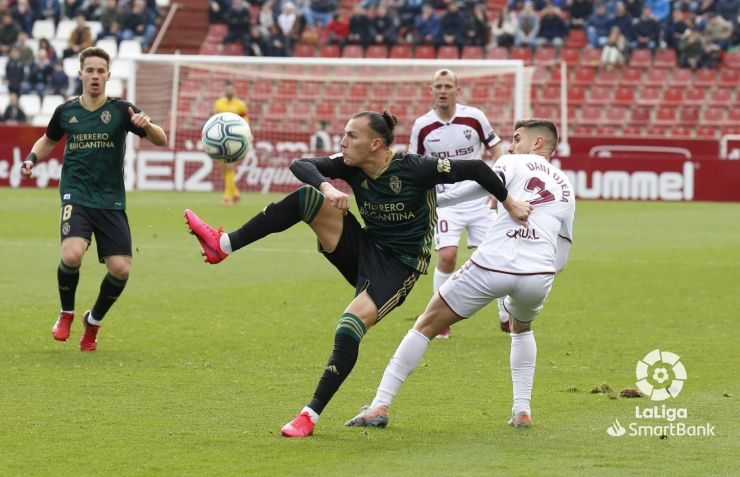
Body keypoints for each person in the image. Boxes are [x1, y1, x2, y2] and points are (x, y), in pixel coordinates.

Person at [183, 110, 533, 438]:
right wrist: (328, 187)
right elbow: (300, 164)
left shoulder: (415, 168)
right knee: (307, 197)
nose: (342, 142)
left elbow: (476, 167)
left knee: (348, 327)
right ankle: (224, 245)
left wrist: (509, 202)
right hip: (363, 248)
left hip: (399, 267)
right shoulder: (349, 166)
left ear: (376, 144)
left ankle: (309, 415)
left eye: (351, 135)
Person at [345, 118, 575, 430]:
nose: (510, 145)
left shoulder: (511, 162)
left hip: (493, 263)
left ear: (537, 143)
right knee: (522, 329)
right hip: (539, 274)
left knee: (425, 324)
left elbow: (473, 188)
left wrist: (426, 199)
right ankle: (522, 410)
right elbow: (563, 247)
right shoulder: (566, 185)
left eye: (517, 138)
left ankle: (379, 405)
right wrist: (541, 271)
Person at [20, 46, 167, 351]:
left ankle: (93, 321)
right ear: (81, 74)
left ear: (109, 75)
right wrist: (32, 158)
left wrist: (147, 125)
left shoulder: (121, 110)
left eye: (101, 71)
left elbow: (161, 139)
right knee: (72, 254)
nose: (96, 76)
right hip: (77, 194)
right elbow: (48, 140)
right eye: (90, 70)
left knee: (121, 269)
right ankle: (66, 313)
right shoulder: (67, 112)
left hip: (111, 200)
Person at [409, 69, 506, 339]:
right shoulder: (422, 126)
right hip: (446, 202)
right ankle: (440, 320)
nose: (443, 90)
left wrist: (496, 186)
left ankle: (505, 315)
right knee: (447, 255)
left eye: (447, 86)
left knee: (495, 256)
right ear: (431, 90)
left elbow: (497, 149)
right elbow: (413, 164)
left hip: (479, 200)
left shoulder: (474, 117)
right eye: (438, 86)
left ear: (456, 89)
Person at [212, 80, 248, 205]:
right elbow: (214, 121)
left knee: (230, 166)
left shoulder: (240, 105)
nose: (229, 91)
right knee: (224, 169)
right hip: (220, 140)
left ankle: (226, 197)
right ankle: (236, 193)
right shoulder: (218, 104)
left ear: (234, 90)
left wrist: (247, 135)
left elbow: (245, 120)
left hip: (235, 140)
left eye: (231, 89)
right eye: (227, 89)